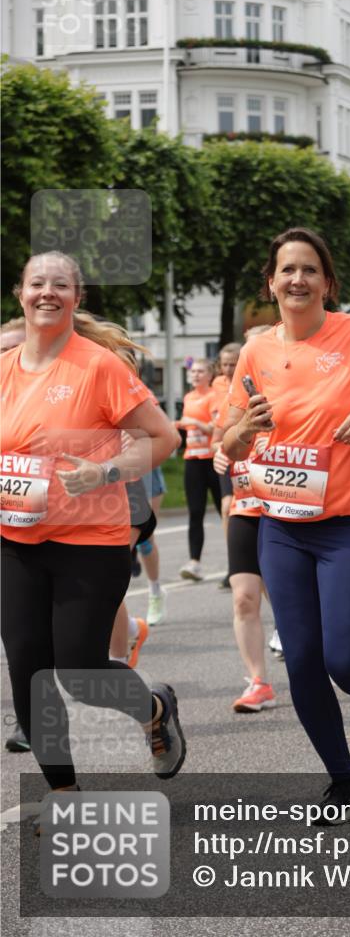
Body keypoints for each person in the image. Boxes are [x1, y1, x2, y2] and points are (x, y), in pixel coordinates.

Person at [222, 227, 350, 820]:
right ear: (271, 282)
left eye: (309, 270)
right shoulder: (258, 351)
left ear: (327, 281)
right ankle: (344, 782)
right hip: (280, 525)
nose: (297, 280)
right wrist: (242, 431)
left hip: (349, 525)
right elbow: (232, 442)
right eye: (286, 270)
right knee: (305, 664)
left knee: (344, 659)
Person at [0, 252, 186, 796]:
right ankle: (64, 793)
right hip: (15, 540)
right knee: (29, 674)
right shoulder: (3, 370)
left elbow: (163, 437)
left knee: (79, 672)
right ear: (21, 293)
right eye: (38, 284)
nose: (47, 293)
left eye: (60, 285)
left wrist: (105, 470)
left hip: (89, 542)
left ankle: (154, 708)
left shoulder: (98, 367)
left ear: (76, 298)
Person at [213, 437, 278, 712]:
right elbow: (227, 437)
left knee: (287, 597)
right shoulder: (234, 395)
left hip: (285, 508)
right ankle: (258, 681)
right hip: (245, 507)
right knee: (244, 599)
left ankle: (316, 669)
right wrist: (222, 452)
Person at [176, 358, 221, 580]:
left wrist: (191, 421)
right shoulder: (188, 397)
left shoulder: (214, 396)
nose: (195, 375)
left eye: (200, 371)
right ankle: (194, 562)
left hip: (212, 459)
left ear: (210, 375)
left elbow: (215, 428)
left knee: (225, 511)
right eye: (193, 372)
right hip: (192, 459)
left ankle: (238, 563)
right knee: (195, 512)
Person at [212, 342, 242, 589]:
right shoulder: (218, 386)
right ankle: (234, 564)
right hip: (227, 453)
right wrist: (217, 448)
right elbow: (217, 431)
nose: (229, 369)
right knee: (226, 506)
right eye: (225, 364)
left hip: (251, 454)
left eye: (234, 364)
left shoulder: (249, 381)